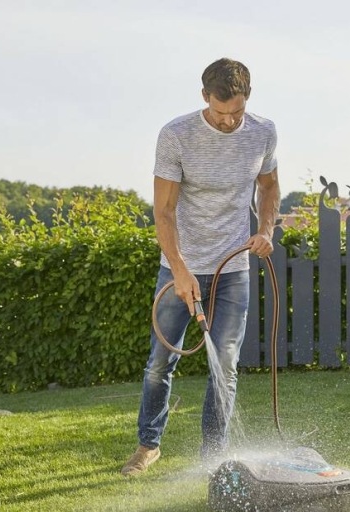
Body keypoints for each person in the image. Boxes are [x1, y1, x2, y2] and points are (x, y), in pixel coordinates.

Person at [121, 57, 280, 476]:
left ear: (248, 100)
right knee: (160, 361)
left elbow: (269, 188)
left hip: (233, 269)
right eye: (221, 112)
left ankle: (214, 456)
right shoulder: (176, 135)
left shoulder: (263, 132)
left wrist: (266, 230)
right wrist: (179, 269)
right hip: (181, 267)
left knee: (224, 364)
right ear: (204, 97)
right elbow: (165, 212)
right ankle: (148, 445)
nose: (229, 122)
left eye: (237, 113)